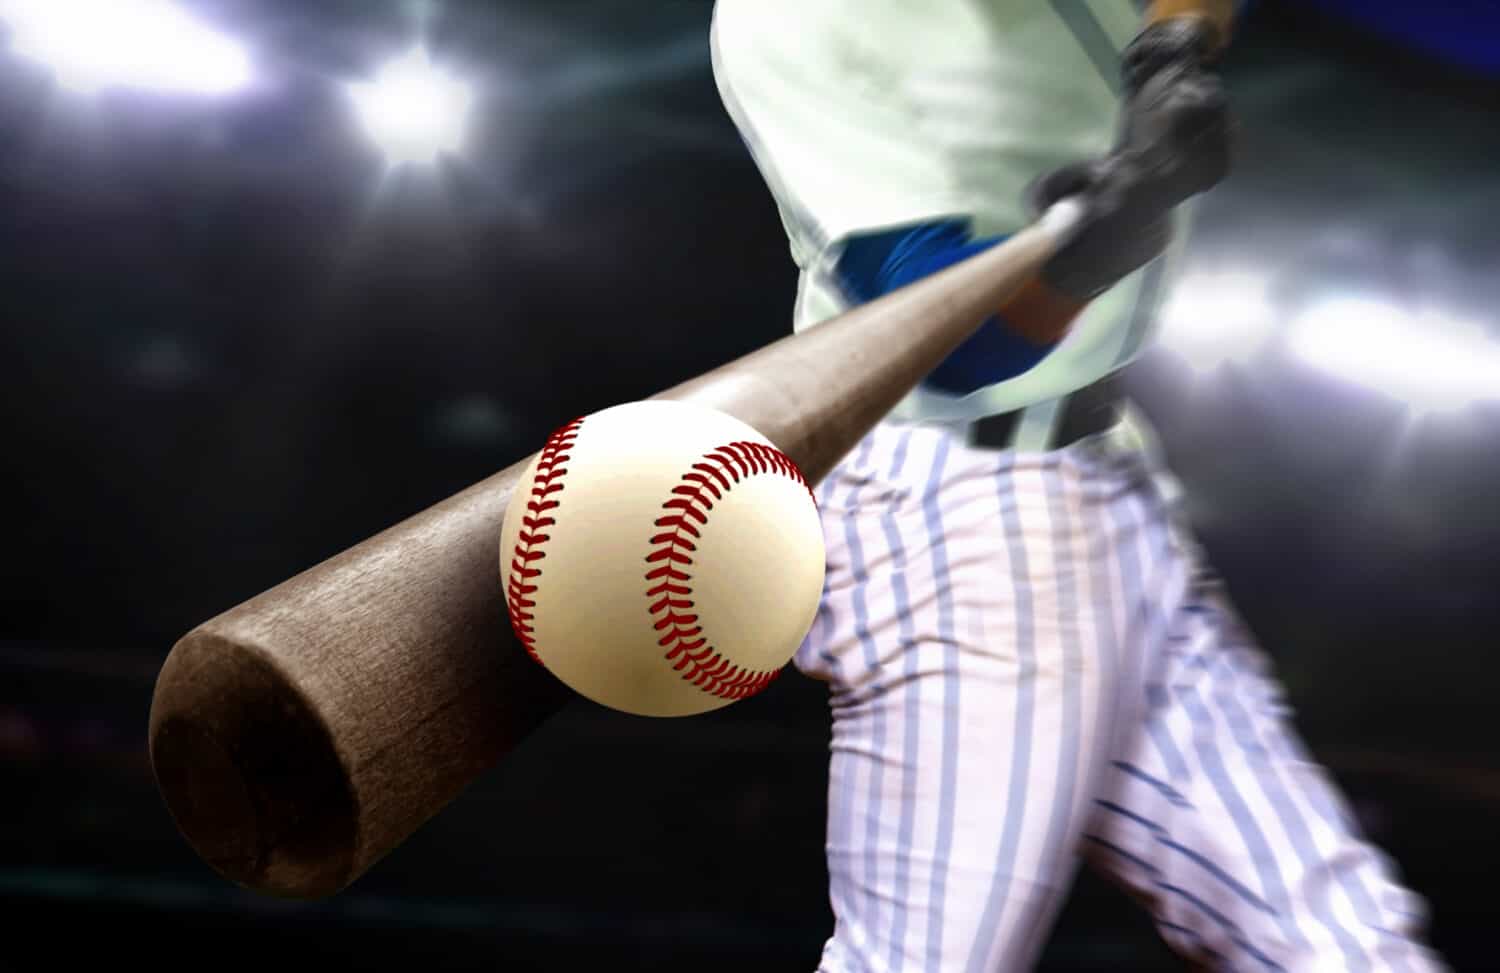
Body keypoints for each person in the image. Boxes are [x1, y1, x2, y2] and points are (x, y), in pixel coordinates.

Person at [708, 1, 1447, 969]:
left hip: (1108, 467)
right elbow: (955, 344)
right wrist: (1118, 221)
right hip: (960, 504)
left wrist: (1172, 48)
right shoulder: (796, 19)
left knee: (1344, 941)